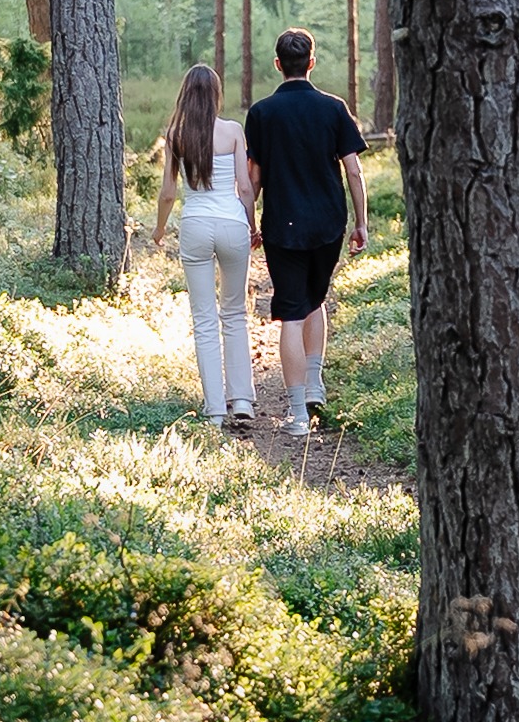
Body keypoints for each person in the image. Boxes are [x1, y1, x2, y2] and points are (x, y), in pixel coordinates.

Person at [244, 28, 368, 437]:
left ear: (278, 65)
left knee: (292, 314)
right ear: (311, 63)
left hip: (283, 225)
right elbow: (353, 168)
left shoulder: (262, 113)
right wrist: (361, 222)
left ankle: (298, 413)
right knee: (316, 300)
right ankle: (315, 384)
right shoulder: (334, 108)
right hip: (329, 223)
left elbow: (254, 177)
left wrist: (250, 220)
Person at [153, 64, 258, 428]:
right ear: (215, 94)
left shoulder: (176, 134)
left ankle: (215, 409)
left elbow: (168, 193)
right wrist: (252, 224)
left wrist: (159, 229)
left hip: (195, 224)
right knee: (235, 314)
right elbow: (245, 188)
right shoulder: (232, 131)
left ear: (185, 94)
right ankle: (242, 399)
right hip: (231, 224)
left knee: (203, 319)